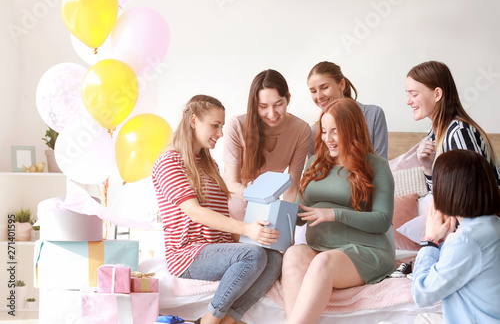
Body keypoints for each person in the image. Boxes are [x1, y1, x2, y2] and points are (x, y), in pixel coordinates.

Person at [152, 95, 283, 324]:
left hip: (218, 247)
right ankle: (210, 321)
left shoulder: (208, 163)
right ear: (193, 121)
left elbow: (222, 214)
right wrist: (247, 230)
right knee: (252, 255)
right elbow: (195, 212)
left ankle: (229, 320)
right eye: (215, 125)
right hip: (187, 253)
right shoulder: (169, 161)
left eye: (221, 126)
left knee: (273, 257)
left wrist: (249, 237)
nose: (220, 133)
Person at [281, 98, 395, 323]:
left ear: (352, 130)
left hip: (365, 250)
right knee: (293, 254)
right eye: (324, 131)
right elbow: (301, 215)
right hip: (319, 247)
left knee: (322, 263)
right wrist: (277, 212)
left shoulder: (376, 165)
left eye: (335, 131)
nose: (328, 139)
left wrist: (334, 214)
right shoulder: (314, 163)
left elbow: (383, 220)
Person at [412, 149, 500, 323]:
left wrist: (430, 241)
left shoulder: (466, 241)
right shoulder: (492, 225)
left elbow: (421, 295)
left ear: (447, 189)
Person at [224, 69, 310, 222]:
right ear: (254, 104)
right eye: (263, 106)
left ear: (288, 99)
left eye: (278, 104)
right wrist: (258, 197)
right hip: (233, 207)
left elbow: (292, 186)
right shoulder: (237, 125)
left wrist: (286, 221)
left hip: (268, 207)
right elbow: (232, 183)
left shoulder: (301, 130)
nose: (271, 114)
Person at [406, 60, 500, 191]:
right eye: (408, 94)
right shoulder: (435, 133)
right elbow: (442, 196)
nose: (408, 101)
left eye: (414, 94)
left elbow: (471, 195)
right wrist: (427, 167)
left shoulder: (459, 132)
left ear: (437, 94)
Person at [307, 61, 389, 159]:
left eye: (325, 87)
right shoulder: (314, 132)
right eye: (313, 91)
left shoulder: (373, 115)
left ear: (342, 84)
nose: (319, 96)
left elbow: (381, 164)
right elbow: (314, 170)